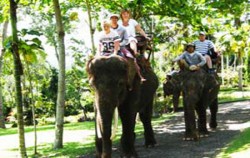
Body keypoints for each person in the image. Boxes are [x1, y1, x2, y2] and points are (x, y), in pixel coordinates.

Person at [110, 14, 146, 82]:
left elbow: (126, 40)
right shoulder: (108, 29)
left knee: (131, 58)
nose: (114, 20)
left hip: (121, 47)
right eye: (112, 19)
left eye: (115, 18)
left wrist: (119, 45)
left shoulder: (122, 29)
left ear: (117, 20)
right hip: (110, 48)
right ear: (110, 20)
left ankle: (139, 76)